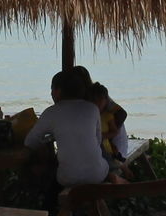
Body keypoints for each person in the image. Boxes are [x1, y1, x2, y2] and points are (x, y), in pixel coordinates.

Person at [24, 67, 107, 208]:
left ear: (58, 91)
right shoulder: (92, 109)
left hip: (68, 178)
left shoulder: (52, 112)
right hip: (97, 174)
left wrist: (48, 140)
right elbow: (98, 141)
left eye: (52, 89)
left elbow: (30, 141)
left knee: (51, 171)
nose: (51, 93)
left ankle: (50, 212)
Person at [90, 81, 129, 172]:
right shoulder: (91, 115)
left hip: (109, 151)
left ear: (106, 100)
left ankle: (120, 168)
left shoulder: (107, 115)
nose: (98, 103)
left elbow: (115, 131)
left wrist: (102, 136)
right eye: (95, 100)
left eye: (101, 100)